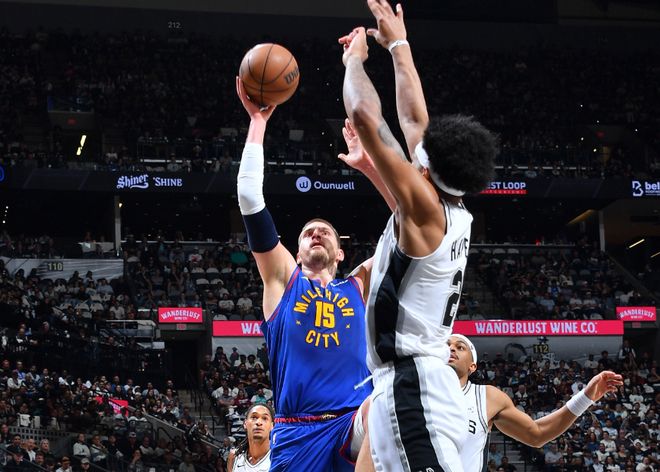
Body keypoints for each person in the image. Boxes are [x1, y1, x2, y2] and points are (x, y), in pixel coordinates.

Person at [340, 1, 498, 470]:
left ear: (425, 171)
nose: (414, 153)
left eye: (418, 159)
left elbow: (365, 115)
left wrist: (354, 61)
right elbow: (413, 120)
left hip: (414, 387)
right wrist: (399, 45)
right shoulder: (450, 207)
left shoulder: (427, 206)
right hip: (413, 383)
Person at [235, 74, 382, 471]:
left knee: (385, 405)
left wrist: (370, 167)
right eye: (307, 233)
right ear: (296, 252)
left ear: (340, 252)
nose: (316, 234)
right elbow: (249, 198)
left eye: (325, 232)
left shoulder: (359, 285)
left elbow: (407, 228)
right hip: (297, 432)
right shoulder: (284, 280)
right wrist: (258, 122)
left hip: (350, 423)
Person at [447, 334, 623, 472]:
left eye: (460, 347)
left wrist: (585, 397)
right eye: (446, 346)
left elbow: (537, 434)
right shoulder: (427, 393)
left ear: (472, 366)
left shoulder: (487, 397)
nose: (451, 349)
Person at [226, 404, 274, 472]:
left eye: (264, 418)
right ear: (245, 423)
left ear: (272, 426)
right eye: (254, 417)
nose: (259, 422)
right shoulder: (234, 456)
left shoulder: (279, 457)